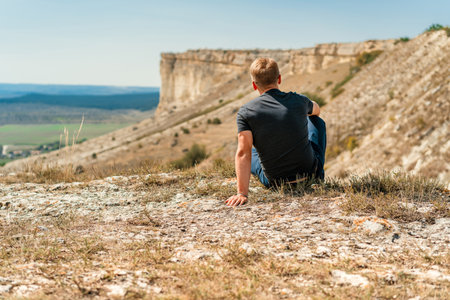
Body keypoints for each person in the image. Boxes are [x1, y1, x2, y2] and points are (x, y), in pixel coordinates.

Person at [225, 57, 327, 207]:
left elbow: (242, 153)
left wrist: (242, 193)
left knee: (251, 152)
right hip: (309, 174)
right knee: (317, 121)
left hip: (275, 182)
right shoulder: (298, 100)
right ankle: (319, 177)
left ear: (254, 85)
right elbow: (316, 110)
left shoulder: (246, 112)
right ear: (279, 78)